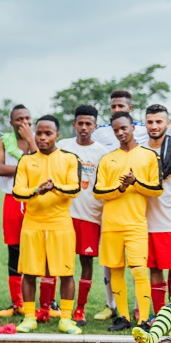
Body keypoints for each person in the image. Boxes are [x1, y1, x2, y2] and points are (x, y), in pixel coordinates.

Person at [12, 116, 82, 335]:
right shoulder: (26, 161)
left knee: (66, 272)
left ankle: (65, 318)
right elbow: (17, 192)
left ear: (57, 135)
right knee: (29, 272)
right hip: (32, 223)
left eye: (47, 133)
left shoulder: (70, 159)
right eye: (39, 133)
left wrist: (54, 187)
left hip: (60, 223)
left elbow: (74, 188)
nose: (42, 138)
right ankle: (29, 317)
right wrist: (35, 191)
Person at [93, 112, 162, 331]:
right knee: (115, 269)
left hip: (136, 224)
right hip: (111, 225)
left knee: (139, 270)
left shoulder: (149, 156)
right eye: (116, 130)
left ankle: (143, 319)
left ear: (132, 127)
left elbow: (156, 189)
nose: (121, 133)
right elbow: (98, 191)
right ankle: (123, 316)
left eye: (124, 128)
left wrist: (135, 182)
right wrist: (120, 188)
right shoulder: (107, 158)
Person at [57, 105, 106, 325]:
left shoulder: (102, 153)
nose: (84, 127)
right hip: (63, 214)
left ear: (95, 126)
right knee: (60, 262)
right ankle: (56, 306)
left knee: (86, 262)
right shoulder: (63, 146)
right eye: (80, 123)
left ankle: (80, 308)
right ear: (74, 124)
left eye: (88, 124)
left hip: (90, 216)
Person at [0, 105, 34, 317]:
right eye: (19, 119)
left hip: (36, 201)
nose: (23, 122)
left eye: (27, 118)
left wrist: (31, 143)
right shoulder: (3, 141)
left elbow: (46, 166)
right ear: (11, 122)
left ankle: (47, 303)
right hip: (13, 199)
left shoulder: (39, 139)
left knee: (40, 249)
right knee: (14, 250)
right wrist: (29, 167)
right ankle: (17, 302)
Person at [144, 104, 171, 315]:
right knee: (154, 269)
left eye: (158, 121)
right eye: (150, 121)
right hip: (145, 221)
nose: (154, 126)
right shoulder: (140, 150)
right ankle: (159, 314)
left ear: (167, 124)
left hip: (169, 219)